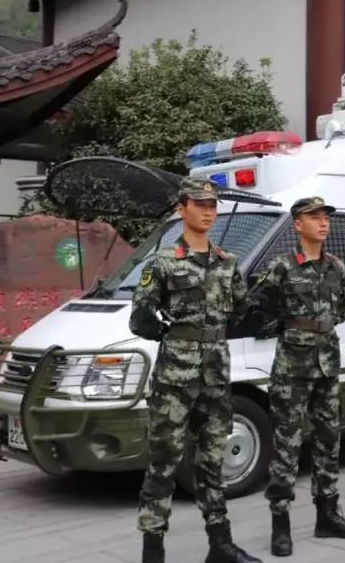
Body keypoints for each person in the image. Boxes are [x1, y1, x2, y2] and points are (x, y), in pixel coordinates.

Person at [129, 178, 259, 563]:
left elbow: (241, 309)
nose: (207, 211)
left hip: (216, 374)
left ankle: (220, 545)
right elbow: (140, 317)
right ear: (181, 208)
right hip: (175, 377)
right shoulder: (164, 261)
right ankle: (153, 550)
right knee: (164, 462)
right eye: (199, 204)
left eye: (212, 205)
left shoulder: (227, 262)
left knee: (213, 459)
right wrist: (172, 334)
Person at [243, 196, 345, 557]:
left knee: (329, 441)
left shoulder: (336, 266)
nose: (323, 222)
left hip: (327, 364)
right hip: (292, 369)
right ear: (298, 224)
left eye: (325, 217)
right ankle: (280, 526)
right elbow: (257, 302)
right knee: (287, 446)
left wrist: (320, 326)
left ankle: (328, 515)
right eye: (315, 217)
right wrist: (287, 326)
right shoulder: (282, 266)